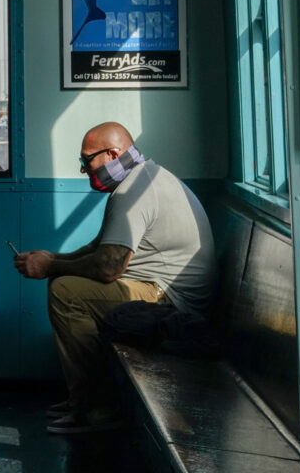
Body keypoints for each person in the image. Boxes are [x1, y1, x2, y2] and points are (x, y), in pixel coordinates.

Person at [13, 122, 217, 434]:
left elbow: (109, 267)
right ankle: (85, 398)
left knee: (66, 291)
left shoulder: (135, 190)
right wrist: (52, 258)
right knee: (65, 282)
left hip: (171, 302)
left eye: (87, 160)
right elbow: (99, 248)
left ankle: (96, 408)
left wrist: (51, 268)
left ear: (112, 154)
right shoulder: (144, 177)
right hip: (163, 293)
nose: (84, 170)